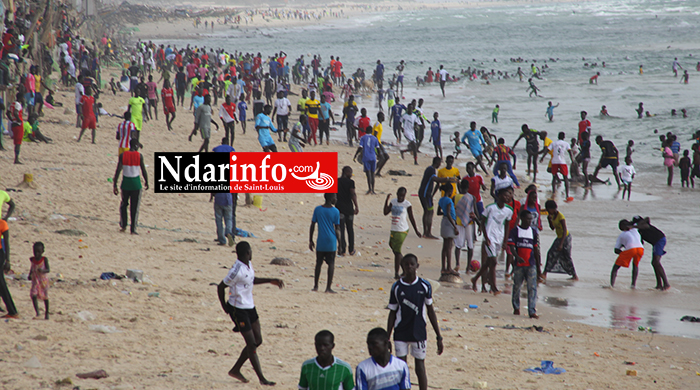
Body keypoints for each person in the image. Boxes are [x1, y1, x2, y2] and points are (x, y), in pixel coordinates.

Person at [217, 241, 283, 386]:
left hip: (250, 306)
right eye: (251, 251)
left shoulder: (248, 264)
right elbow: (220, 287)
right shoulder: (236, 271)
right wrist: (226, 308)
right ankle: (262, 378)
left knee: (258, 340)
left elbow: (251, 280)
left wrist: (270, 280)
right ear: (247, 252)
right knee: (251, 344)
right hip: (238, 310)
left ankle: (235, 369)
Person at [387, 254, 443, 390]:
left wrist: (438, 336)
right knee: (401, 367)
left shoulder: (424, 286)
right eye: (406, 264)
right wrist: (387, 336)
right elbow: (392, 312)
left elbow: (430, 311)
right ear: (402, 267)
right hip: (400, 332)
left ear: (417, 266)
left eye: (412, 264)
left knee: (420, 367)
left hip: (418, 332)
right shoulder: (396, 287)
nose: (409, 267)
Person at [471, 186, 514, 294]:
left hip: (499, 238)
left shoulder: (509, 210)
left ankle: (475, 279)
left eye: (509, 196)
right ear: (499, 196)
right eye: (505, 195)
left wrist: (505, 241)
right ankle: (494, 287)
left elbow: (507, 225)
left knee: (489, 262)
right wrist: (486, 237)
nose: (507, 197)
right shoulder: (490, 208)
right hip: (489, 238)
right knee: (494, 261)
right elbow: (482, 222)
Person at [384, 187, 422, 279]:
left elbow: (411, 217)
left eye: (402, 196)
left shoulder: (407, 204)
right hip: (394, 229)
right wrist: (387, 200)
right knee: (393, 248)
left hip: (402, 230)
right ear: (396, 194)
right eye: (399, 195)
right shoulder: (393, 202)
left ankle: (397, 273)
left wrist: (416, 230)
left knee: (397, 252)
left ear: (405, 195)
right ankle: (405, 270)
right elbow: (385, 212)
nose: (400, 197)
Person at [113, 139, 149, 234]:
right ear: (136, 146)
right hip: (136, 185)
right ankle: (133, 229)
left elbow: (118, 170)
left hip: (125, 184)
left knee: (124, 204)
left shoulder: (123, 155)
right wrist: (146, 181)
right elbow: (143, 170)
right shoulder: (139, 156)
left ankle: (124, 224)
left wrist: (115, 184)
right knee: (134, 207)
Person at [508, 209, 540, 318]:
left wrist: (539, 266)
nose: (529, 221)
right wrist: (517, 257)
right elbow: (511, 247)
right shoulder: (515, 231)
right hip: (519, 265)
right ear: (521, 219)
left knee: (532, 288)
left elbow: (536, 250)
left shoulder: (534, 232)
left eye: (531, 219)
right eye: (527, 219)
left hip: (531, 264)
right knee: (517, 286)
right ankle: (516, 307)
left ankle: (532, 310)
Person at [309, 193, 341, 293]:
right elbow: (337, 229)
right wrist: (340, 243)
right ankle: (328, 287)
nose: (336, 199)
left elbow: (313, 225)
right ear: (331, 198)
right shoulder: (336, 211)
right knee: (331, 264)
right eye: (335, 197)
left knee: (318, 264)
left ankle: (315, 286)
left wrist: (310, 240)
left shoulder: (317, 209)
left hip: (321, 241)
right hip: (331, 241)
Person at [542, 200, 577, 282]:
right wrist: (549, 220)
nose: (547, 211)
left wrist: (561, 244)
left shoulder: (560, 217)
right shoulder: (552, 216)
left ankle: (574, 275)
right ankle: (545, 273)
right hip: (559, 237)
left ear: (553, 208)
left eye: (548, 209)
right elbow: (552, 228)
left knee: (566, 256)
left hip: (565, 238)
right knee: (551, 253)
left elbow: (565, 230)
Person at [631, 216, 670, 290]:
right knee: (654, 263)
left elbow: (647, 219)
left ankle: (666, 284)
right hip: (656, 243)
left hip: (659, 240)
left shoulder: (645, 225)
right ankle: (659, 284)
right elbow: (641, 242)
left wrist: (635, 226)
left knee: (656, 262)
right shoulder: (640, 230)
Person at [610, 220, 644, 288]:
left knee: (615, 268)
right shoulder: (635, 229)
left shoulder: (622, 235)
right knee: (635, 266)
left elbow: (616, 250)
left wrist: (623, 253)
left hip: (631, 249)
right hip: (640, 249)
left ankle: (611, 285)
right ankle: (633, 285)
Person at [454, 179, 478, 273]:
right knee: (470, 246)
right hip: (469, 223)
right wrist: (479, 224)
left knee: (458, 245)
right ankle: (468, 267)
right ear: (468, 188)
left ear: (459, 187)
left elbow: (454, 211)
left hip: (458, 223)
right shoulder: (472, 198)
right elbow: (475, 212)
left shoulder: (455, 197)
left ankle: (457, 264)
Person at [336, 166, 359, 257]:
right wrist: (356, 206)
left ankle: (342, 250)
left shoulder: (336, 181)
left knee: (341, 229)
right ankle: (351, 250)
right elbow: (353, 193)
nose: (351, 175)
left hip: (339, 208)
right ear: (346, 172)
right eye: (350, 173)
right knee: (350, 229)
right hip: (349, 208)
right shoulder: (350, 182)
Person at [438, 184, 458, 276]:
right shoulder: (449, 200)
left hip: (444, 221)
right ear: (450, 191)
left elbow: (439, 212)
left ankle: (443, 268)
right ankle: (449, 267)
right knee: (449, 247)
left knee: (444, 246)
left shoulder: (441, 200)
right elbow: (450, 214)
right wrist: (455, 226)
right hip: (450, 222)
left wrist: (444, 212)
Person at [0, 217, 18, 319]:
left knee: (1, 283)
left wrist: (8, 260)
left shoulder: (2, 224)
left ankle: (12, 311)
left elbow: (6, 243)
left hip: (0, 254)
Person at [354, 127, 380, 194]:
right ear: (371, 131)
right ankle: (373, 190)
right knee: (372, 174)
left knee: (368, 174)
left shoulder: (363, 138)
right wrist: (378, 156)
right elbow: (378, 148)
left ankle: (369, 189)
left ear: (365, 131)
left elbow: (360, 147)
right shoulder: (375, 138)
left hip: (366, 157)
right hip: (373, 157)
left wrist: (355, 155)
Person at [550, 132, 574, 201]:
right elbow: (570, 152)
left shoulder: (554, 143)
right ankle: (567, 194)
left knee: (554, 177)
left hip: (554, 161)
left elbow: (547, 150)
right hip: (562, 162)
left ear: (558, 136)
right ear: (564, 137)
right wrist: (572, 160)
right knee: (565, 178)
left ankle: (554, 192)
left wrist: (542, 157)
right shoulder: (566, 144)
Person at [29, 241, 50, 319]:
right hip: (35, 281)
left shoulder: (44, 259)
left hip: (43, 281)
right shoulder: (32, 259)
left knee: (45, 297)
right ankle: (37, 312)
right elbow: (32, 267)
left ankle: (47, 312)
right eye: (35, 251)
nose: (36, 253)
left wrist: (43, 271)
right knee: (33, 295)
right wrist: (30, 274)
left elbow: (48, 269)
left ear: (42, 251)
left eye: (38, 252)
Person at [9, 93, 24, 164]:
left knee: (16, 142)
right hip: (18, 125)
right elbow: (15, 112)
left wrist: (12, 119)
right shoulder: (18, 104)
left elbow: (7, 113)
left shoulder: (13, 104)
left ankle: (16, 158)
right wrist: (19, 120)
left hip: (13, 124)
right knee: (18, 142)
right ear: (21, 98)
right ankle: (16, 159)